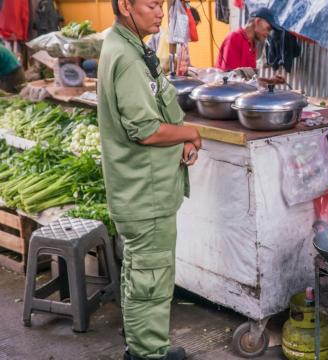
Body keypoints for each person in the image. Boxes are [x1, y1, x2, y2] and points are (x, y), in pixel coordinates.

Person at [98, 0, 202, 358]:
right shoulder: (126, 57)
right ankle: (148, 354)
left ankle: (141, 348)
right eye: (152, 4)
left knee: (140, 273)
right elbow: (144, 130)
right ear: (126, 5)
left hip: (140, 190)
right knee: (151, 280)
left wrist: (182, 140)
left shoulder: (126, 44)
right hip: (145, 193)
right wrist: (189, 132)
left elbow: (156, 107)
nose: (160, 12)